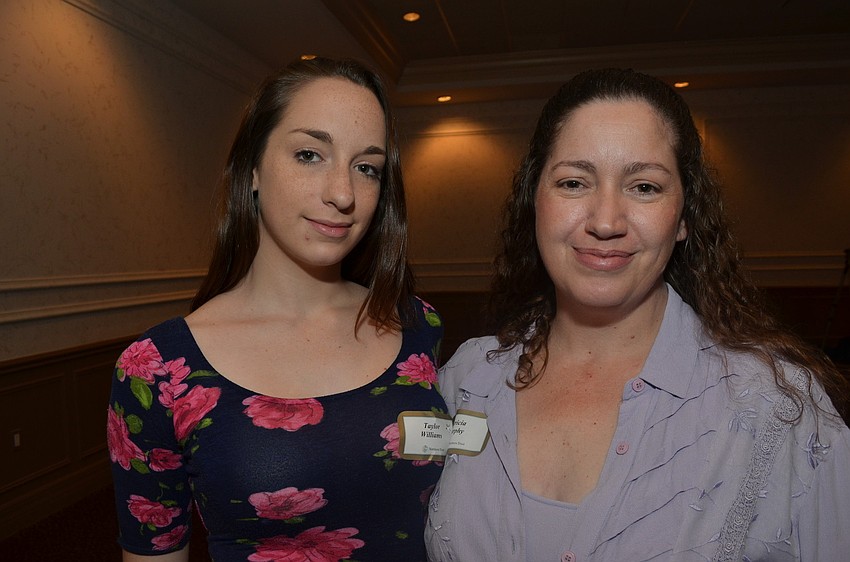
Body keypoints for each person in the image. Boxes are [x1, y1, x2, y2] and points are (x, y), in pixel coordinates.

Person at [425, 68, 850, 561]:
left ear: (685, 216)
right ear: (533, 201)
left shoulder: (779, 412)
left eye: (644, 187)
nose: (606, 222)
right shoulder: (466, 379)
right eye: (574, 182)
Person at [107, 57, 446, 562]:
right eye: (310, 154)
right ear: (252, 170)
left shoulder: (418, 324)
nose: (342, 193)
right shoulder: (156, 370)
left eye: (366, 167)